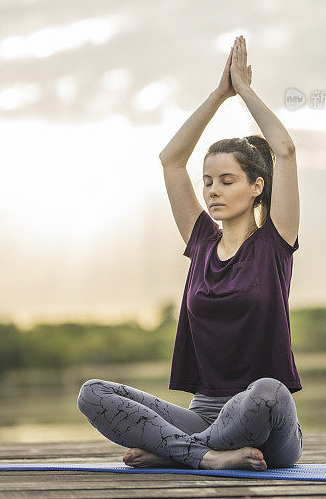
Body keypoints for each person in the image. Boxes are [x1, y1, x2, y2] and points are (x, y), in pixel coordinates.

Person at [77, 35, 303, 471]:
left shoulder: (274, 243)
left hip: (266, 425)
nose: (214, 190)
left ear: (257, 187)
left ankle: (177, 453)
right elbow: (170, 160)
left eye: (227, 180)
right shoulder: (201, 241)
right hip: (201, 411)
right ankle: (205, 456)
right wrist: (219, 93)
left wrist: (245, 91)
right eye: (209, 181)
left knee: (267, 391)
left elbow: (285, 151)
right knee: (94, 393)